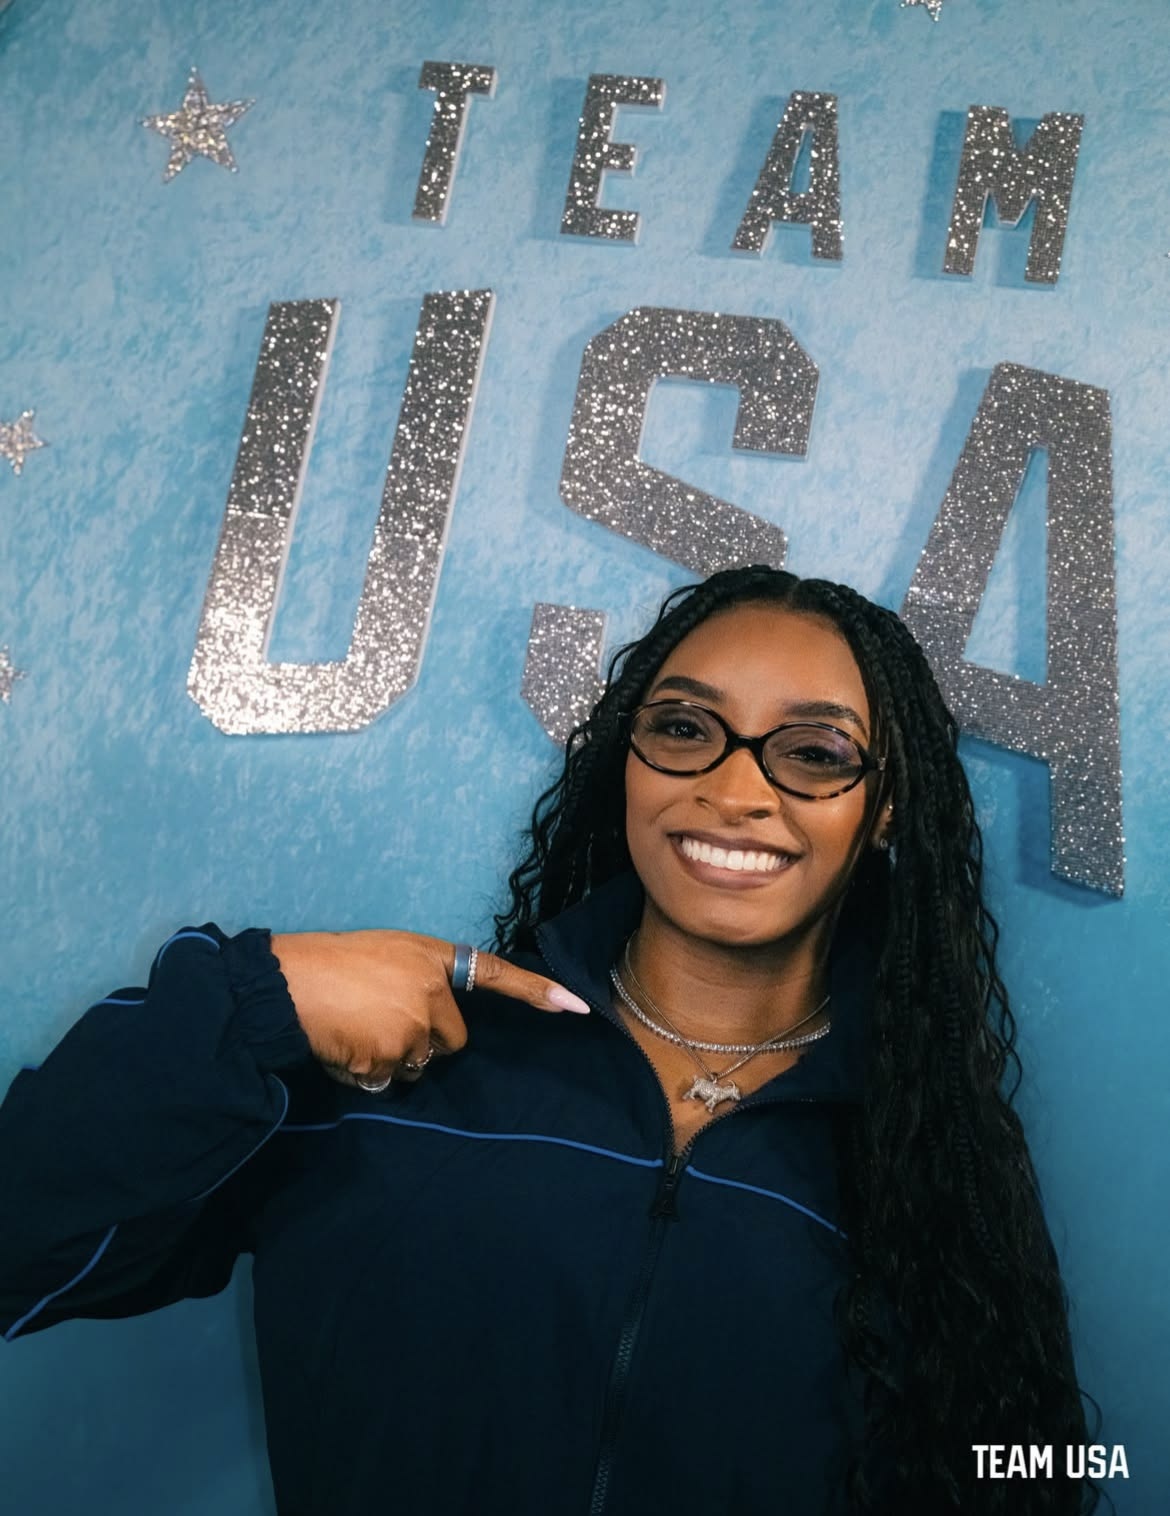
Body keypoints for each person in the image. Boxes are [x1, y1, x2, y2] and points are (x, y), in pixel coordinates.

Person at [0, 565, 1098, 1514]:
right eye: (684, 729)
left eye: (814, 751)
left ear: (887, 806)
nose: (735, 789)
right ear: (627, 760)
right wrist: (256, 1000)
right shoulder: (403, 1071)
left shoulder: (931, 1160)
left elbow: (1029, 1468)